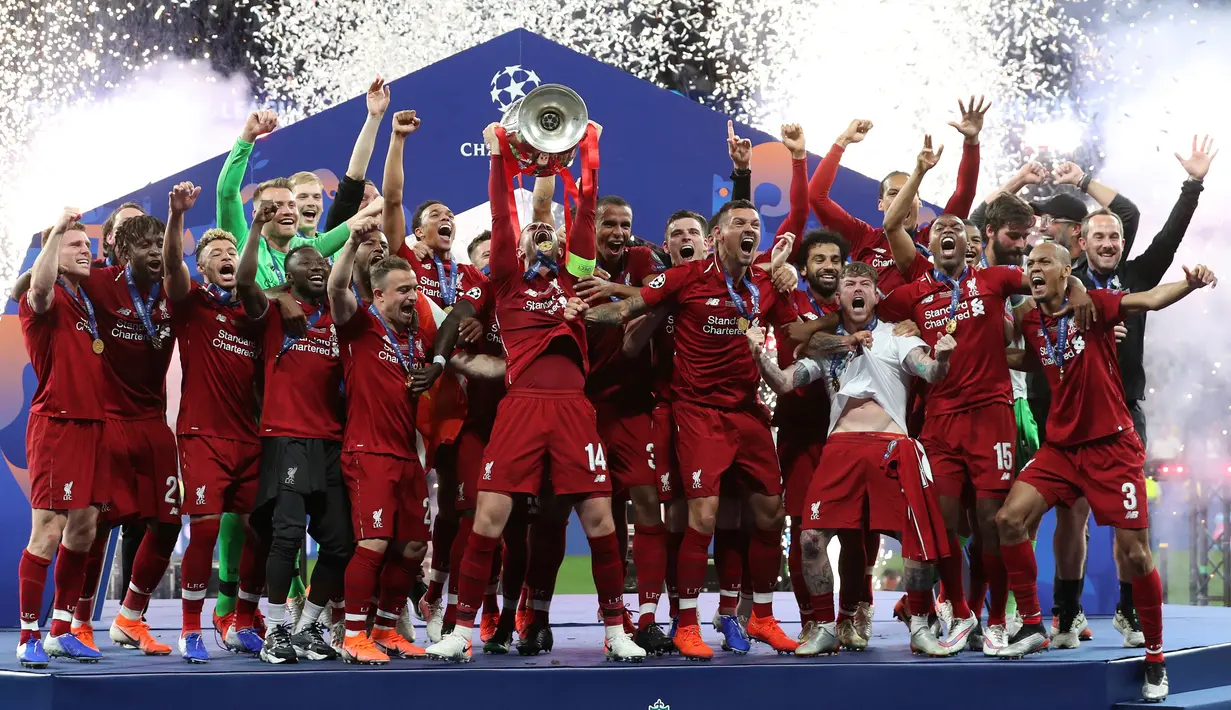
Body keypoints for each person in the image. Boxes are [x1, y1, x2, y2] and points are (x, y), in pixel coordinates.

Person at [423, 120, 645, 663]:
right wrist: (499, 154)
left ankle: (616, 631)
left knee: (599, 521)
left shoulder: (578, 277)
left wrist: (590, 148)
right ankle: (460, 631)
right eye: (531, 232)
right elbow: (502, 210)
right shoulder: (504, 281)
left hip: (574, 410)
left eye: (549, 230)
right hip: (519, 410)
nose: (539, 234)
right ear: (517, 245)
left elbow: (587, 206)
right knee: (488, 518)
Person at [878, 140, 1096, 655]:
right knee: (949, 524)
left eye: (959, 230)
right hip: (939, 420)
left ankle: (997, 618)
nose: (949, 231)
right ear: (928, 247)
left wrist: (1080, 289)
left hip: (993, 417)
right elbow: (891, 228)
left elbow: (1046, 280)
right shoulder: (916, 292)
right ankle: (958, 612)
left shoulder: (993, 279)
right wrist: (919, 167)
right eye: (940, 230)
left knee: (990, 525)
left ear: (974, 246)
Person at [575, 200, 801, 659]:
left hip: (748, 412)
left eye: (756, 224)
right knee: (698, 517)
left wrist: (855, 329)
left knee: (770, 515)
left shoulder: (765, 283)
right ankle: (688, 622)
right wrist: (571, 311)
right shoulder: (686, 278)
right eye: (739, 224)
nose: (749, 230)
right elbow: (627, 309)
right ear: (718, 237)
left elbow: (798, 331)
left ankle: (761, 615)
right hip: (696, 413)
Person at [997, 241, 1217, 702]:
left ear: (1065, 272)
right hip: (1061, 447)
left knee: (1135, 555)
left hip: (1111, 446)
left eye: (1044, 264)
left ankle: (1155, 658)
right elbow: (1021, 352)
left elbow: (1149, 299)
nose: (1033, 269)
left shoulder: (1094, 305)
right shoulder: (1029, 317)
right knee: (1009, 519)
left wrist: (1190, 284)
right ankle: (1035, 623)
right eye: (1029, 264)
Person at [1043, 140, 1215, 648]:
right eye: (1099, 235)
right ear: (1081, 240)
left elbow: (1168, 232)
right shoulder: (1061, 282)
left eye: (1114, 235)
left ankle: (1127, 612)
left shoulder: (1137, 277)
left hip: (1123, 414)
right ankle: (1067, 613)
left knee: (1127, 518)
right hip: (1069, 412)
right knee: (1070, 516)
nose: (1109, 241)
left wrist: (1194, 184)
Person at [750, 261, 959, 656]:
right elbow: (783, 381)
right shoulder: (828, 347)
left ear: (876, 295)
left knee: (916, 540)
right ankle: (827, 626)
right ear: (839, 297)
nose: (858, 289)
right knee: (811, 539)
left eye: (866, 283)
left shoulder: (898, 338)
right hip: (840, 448)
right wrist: (759, 355)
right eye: (850, 284)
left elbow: (930, 372)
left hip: (892, 446)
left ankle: (919, 626)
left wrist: (943, 358)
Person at [236, 202, 357, 664]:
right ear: (289, 276)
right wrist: (255, 229)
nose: (316, 268)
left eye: (321, 263)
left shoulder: (340, 315)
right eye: (305, 264)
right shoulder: (273, 309)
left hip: (330, 440)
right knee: (286, 536)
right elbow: (246, 281)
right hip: (286, 436)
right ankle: (277, 631)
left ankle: (307, 627)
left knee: (339, 541)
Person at [161, 183, 268, 663]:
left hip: (251, 436)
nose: (227, 257)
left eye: (232, 251)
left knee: (256, 531)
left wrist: (257, 231)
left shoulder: (255, 314)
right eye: (216, 253)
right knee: (204, 531)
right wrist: (177, 216)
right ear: (201, 267)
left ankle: (243, 619)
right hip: (203, 435)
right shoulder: (192, 305)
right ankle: (190, 629)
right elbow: (170, 269)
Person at [78, 212, 182, 657]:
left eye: (161, 243)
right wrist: (23, 286)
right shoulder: (100, 284)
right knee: (96, 529)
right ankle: (79, 621)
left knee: (168, 523)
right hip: (110, 423)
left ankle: (130, 617)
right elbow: (46, 281)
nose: (157, 252)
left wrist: (176, 216)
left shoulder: (175, 290)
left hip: (154, 425)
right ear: (122, 252)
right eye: (147, 245)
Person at [573, 194, 673, 653]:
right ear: (591, 228)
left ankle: (650, 612)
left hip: (634, 405)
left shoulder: (643, 258)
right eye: (608, 223)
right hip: (583, 407)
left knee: (646, 499)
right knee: (599, 512)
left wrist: (617, 294)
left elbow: (654, 307)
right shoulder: (573, 265)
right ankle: (612, 613)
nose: (617, 231)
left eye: (624, 223)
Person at [328, 234, 432, 664]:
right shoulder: (360, 326)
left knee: (413, 546)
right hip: (367, 451)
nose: (413, 296)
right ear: (379, 295)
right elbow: (336, 289)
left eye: (416, 288)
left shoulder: (416, 338)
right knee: (373, 542)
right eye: (404, 290)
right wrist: (351, 244)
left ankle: (387, 628)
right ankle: (353, 635)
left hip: (408, 455)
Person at [15, 209, 108, 667]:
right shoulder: (42, 300)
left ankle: (62, 628)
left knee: (85, 529)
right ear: (52, 252)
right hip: (58, 424)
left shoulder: (86, 298)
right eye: (76, 245)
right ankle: (28, 635)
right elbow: (35, 284)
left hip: (94, 425)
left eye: (88, 245)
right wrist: (55, 231)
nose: (86, 250)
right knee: (47, 531)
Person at [807, 98, 986, 294]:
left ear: (919, 202)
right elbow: (817, 196)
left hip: (927, 322)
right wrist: (843, 141)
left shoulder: (936, 235)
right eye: (893, 193)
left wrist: (971, 142)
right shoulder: (863, 238)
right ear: (881, 204)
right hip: (872, 323)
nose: (904, 199)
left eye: (909, 193)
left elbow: (964, 194)